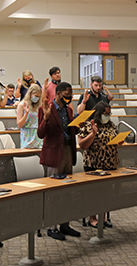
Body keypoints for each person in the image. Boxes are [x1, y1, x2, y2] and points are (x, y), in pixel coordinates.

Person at [37, 82, 81, 240]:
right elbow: (41, 134)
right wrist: (46, 119)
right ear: (58, 93)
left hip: (68, 151)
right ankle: (51, 226)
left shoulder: (69, 110)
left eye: (71, 95)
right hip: (54, 154)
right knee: (53, 192)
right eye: (67, 94)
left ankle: (64, 224)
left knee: (66, 191)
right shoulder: (45, 109)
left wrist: (79, 124)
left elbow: (70, 130)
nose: (69, 97)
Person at [77, 101, 123, 228]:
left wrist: (119, 141)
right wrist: (93, 134)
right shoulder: (88, 124)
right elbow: (82, 145)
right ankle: (92, 218)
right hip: (94, 163)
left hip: (110, 163)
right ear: (98, 113)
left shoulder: (111, 125)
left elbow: (115, 138)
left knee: (106, 193)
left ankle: (102, 217)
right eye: (105, 113)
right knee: (94, 193)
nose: (107, 116)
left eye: (109, 113)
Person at [16, 83, 42, 149]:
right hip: (27, 136)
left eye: (38, 97)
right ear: (30, 93)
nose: (37, 98)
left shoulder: (38, 105)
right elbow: (19, 125)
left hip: (37, 137)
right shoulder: (22, 105)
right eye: (35, 96)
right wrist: (26, 114)